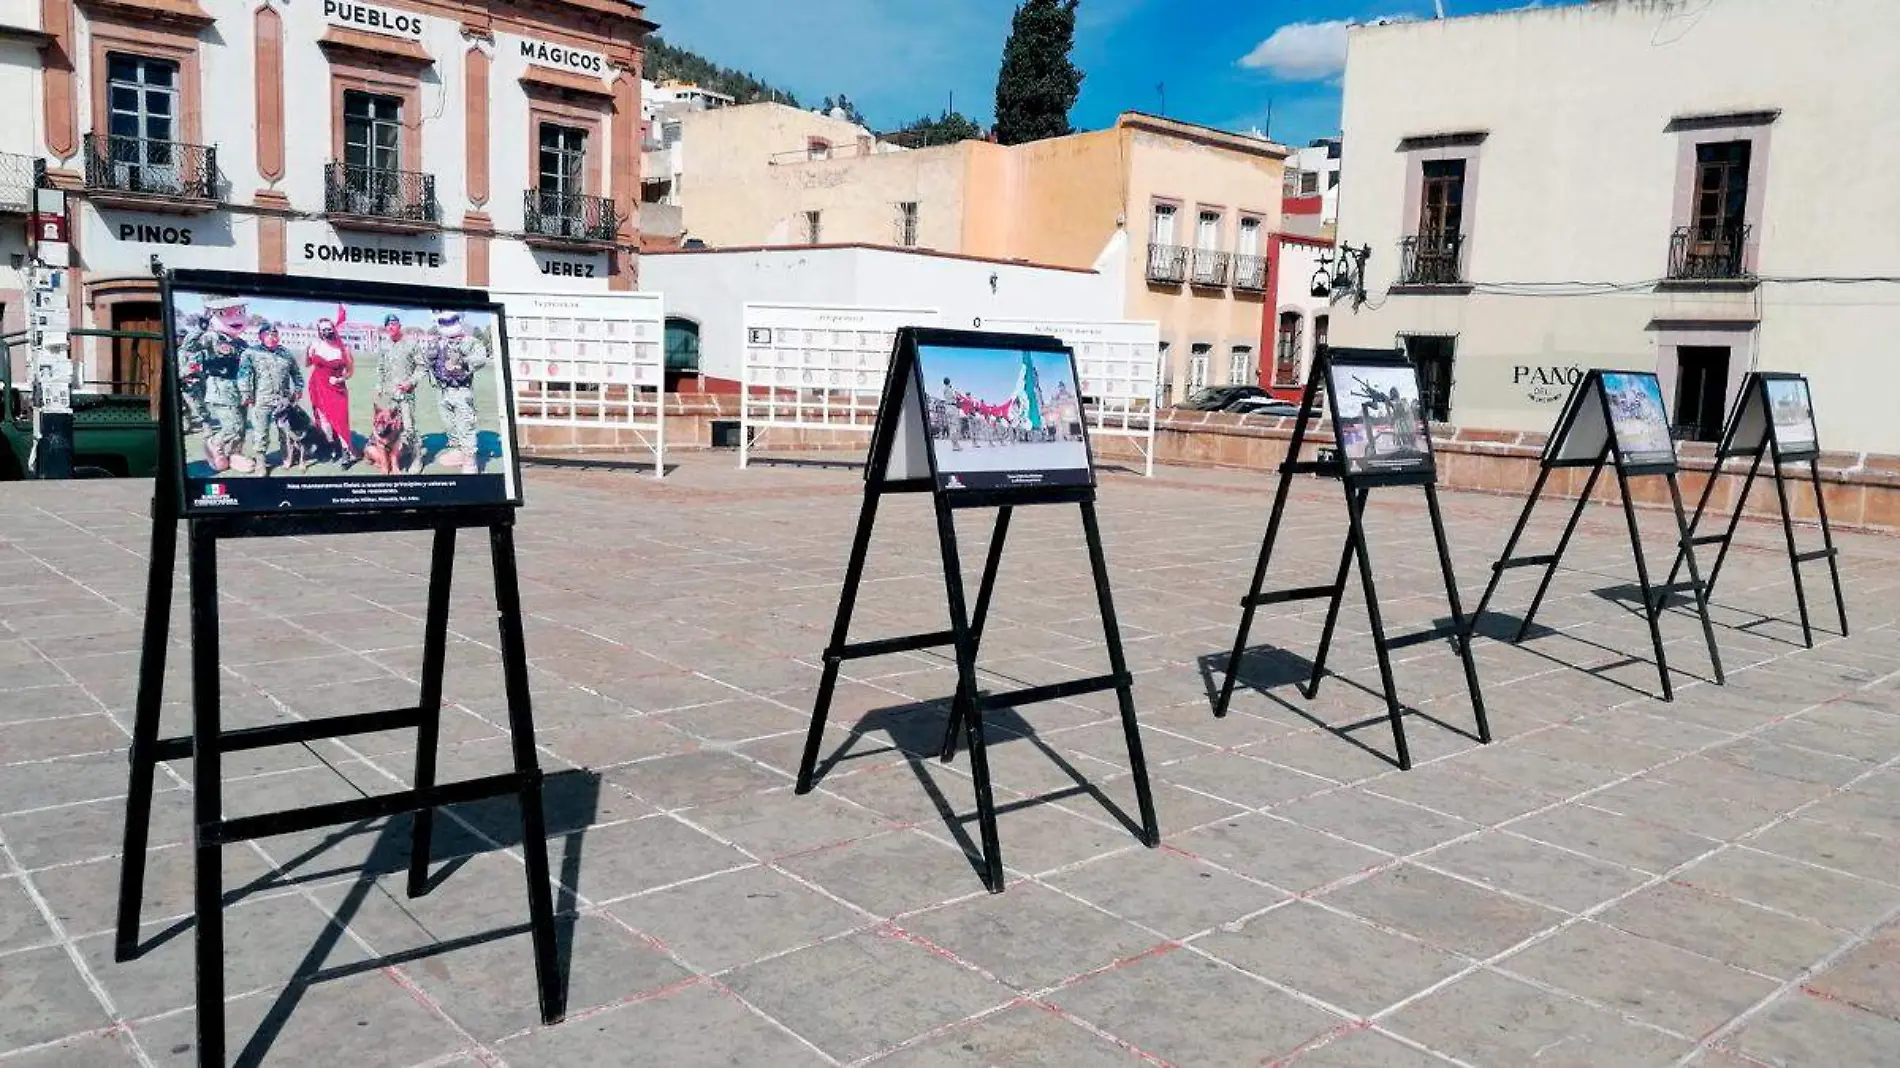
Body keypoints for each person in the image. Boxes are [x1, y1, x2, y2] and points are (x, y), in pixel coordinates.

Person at [178, 297, 255, 473]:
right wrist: (200, 328)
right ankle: (214, 443)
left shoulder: (242, 343)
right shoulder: (212, 337)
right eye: (226, 314)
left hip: (240, 390)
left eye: (239, 313)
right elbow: (189, 346)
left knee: (241, 427)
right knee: (232, 427)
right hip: (221, 390)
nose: (235, 318)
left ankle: (235, 454)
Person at [420, 310, 489, 474]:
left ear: (458, 320)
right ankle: (459, 452)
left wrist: (464, 360)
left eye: (450, 320)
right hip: (443, 391)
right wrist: (429, 356)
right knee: (450, 425)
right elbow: (428, 362)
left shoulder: (469, 342)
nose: (447, 324)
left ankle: (470, 461)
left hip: (461, 391)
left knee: (465, 425)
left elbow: (481, 359)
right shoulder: (438, 342)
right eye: (443, 322)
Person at [238, 321, 304, 472]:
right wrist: (246, 394)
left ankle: (287, 456)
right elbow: (243, 375)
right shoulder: (251, 353)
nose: (272, 337)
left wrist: (298, 387)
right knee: (261, 431)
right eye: (268, 335)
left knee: (285, 431)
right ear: (260, 337)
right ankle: (261, 462)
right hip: (262, 399)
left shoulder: (285, 353)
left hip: (283, 401)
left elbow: (296, 373)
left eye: (275, 335)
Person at [305, 309, 358, 467]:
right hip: (317, 386)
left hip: (336, 388)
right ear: (319, 332)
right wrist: (307, 351)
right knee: (324, 419)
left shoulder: (344, 349)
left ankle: (346, 451)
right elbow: (307, 363)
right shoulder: (315, 345)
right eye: (323, 330)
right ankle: (332, 446)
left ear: (333, 329)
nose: (327, 332)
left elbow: (350, 371)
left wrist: (339, 379)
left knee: (340, 420)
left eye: (329, 329)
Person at [371, 313, 424, 473]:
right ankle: (393, 458)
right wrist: (379, 385)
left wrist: (410, 382)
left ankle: (417, 459)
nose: (391, 327)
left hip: (406, 395)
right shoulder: (384, 345)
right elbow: (380, 368)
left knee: (409, 428)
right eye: (388, 325)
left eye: (394, 324)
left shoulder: (411, 343)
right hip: (389, 395)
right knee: (391, 428)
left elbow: (422, 367)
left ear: (399, 326)